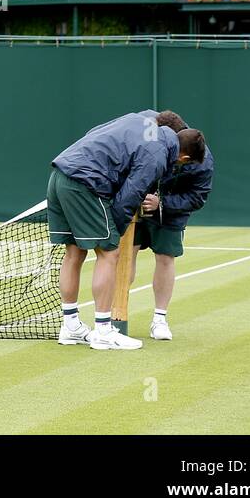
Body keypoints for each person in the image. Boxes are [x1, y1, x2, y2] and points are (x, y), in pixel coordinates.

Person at [48, 111, 207, 351]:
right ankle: (103, 331)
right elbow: (129, 196)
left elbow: (94, 132)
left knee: (74, 252)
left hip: (59, 174)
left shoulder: (138, 119)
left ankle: (70, 326)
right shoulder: (158, 155)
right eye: (183, 163)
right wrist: (117, 231)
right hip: (86, 183)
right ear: (183, 156)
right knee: (109, 253)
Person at [129, 110, 214, 342]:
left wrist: (161, 203)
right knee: (125, 255)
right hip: (135, 206)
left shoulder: (201, 159)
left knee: (165, 258)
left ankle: (159, 319)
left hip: (170, 215)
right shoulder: (149, 133)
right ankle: (115, 314)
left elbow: (197, 198)